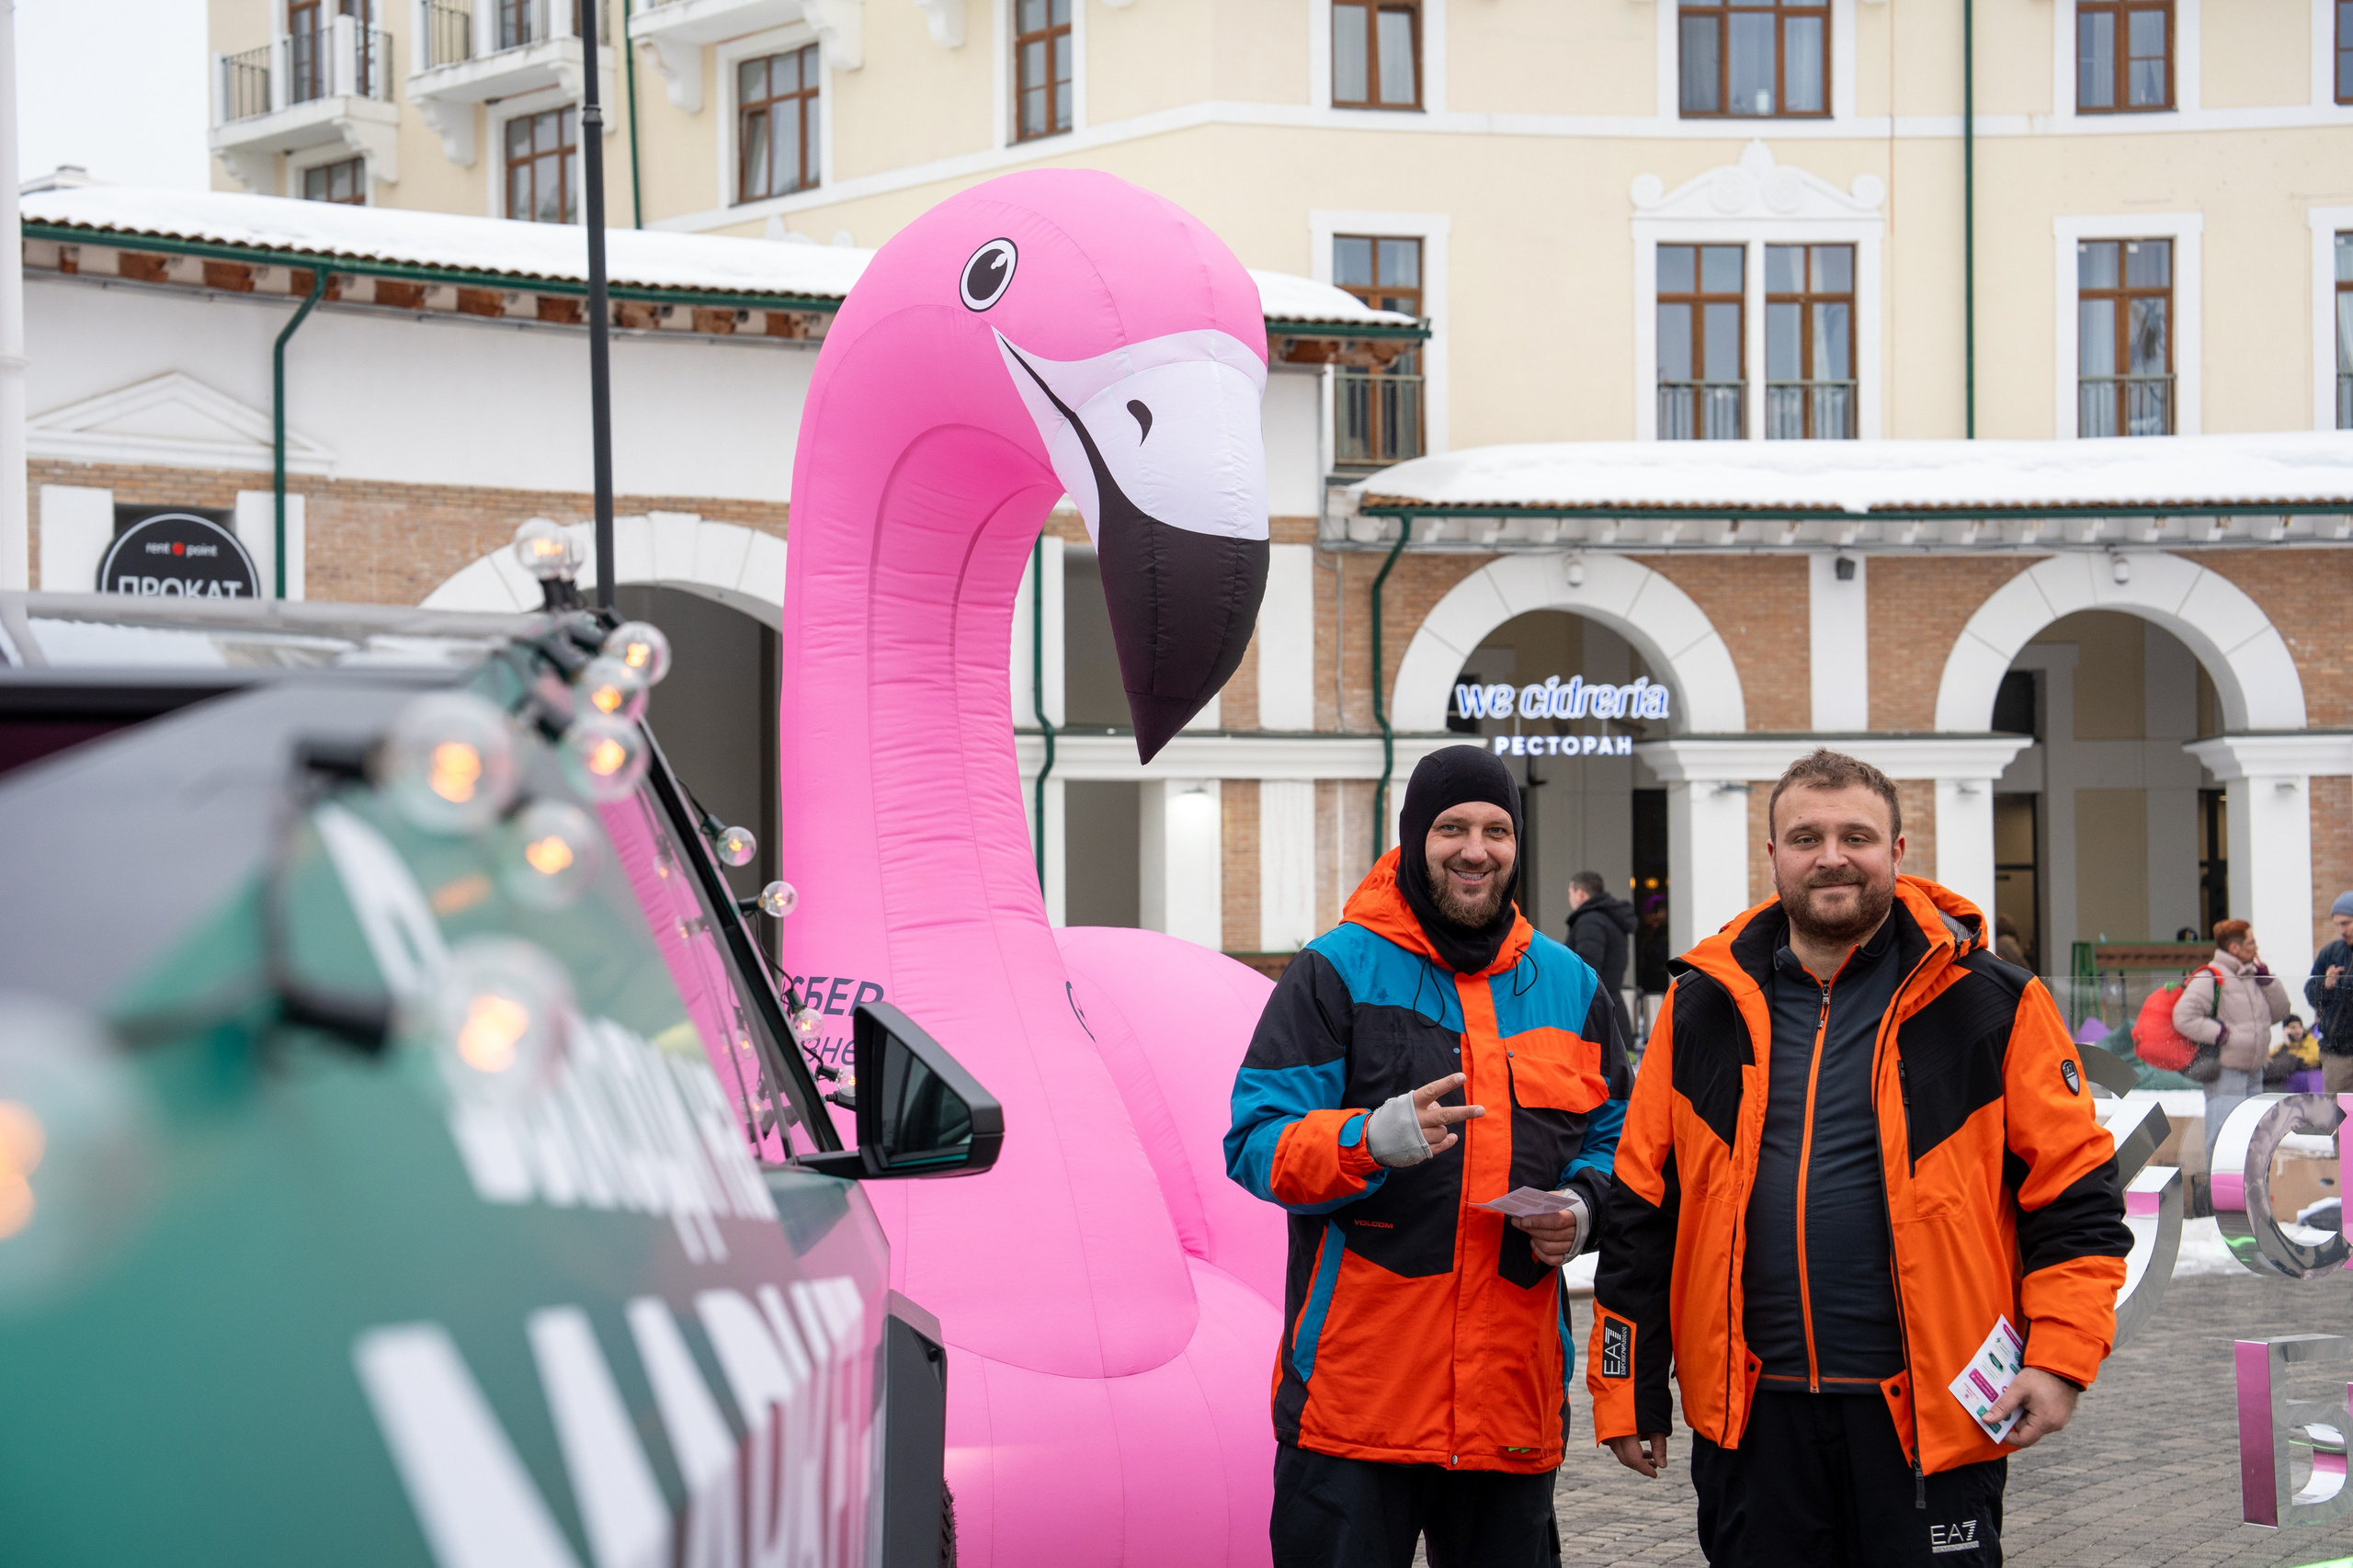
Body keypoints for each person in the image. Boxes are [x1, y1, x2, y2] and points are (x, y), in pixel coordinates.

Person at [1589, 748, 2129, 1568]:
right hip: (1753, 1423)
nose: (1832, 856)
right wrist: (1626, 1387)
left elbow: (2077, 1199)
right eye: (1805, 836)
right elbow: (1641, 1208)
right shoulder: (1702, 1006)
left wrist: (2060, 1362)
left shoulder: (1992, 1003)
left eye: (1856, 836)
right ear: (1773, 856)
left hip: (1929, 1423)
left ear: (1898, 852)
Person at [1226, 744, 1631, 1568]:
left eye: (1495, 830)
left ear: (1518, 845)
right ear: (1415, 838)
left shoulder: (1572, 986)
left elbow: (1623, 1143)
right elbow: (1256, 1141)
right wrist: (1364, 1141)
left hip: (1508, 1409)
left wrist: (1584, 1208)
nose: (1475, 849)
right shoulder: (1333, 972)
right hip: (1355, 1406)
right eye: (1451, 828)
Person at [2174, 919, 2292, 1161]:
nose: (2256, 948)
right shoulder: (2212, 976)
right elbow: (2183, 1016)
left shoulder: (2252, 976)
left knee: (2253, 1138)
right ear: (2235, 948)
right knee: (2223, 1135)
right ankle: (2214, 1193)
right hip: (2226, 1072)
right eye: (2251, 942)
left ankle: (2247, 1191)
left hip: (2255, 1070)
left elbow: (2281, 1013)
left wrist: (2268, 982)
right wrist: (2220, 1034)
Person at [1566, 869, 1639, 1056]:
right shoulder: (1610, 918)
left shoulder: (1590, 921)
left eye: (1570, 893)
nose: (1570, 898)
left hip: (1598, 1022)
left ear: (1580, 893)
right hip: (1616, 1018)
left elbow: (1586, 969)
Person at [2304, 892, 2353, 1096]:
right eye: (2338, 925)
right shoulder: (2331, 952)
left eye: (2347, 923)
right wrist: (2326, 986)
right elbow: (2311, 994)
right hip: (2337, 1052)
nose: (2342, 930)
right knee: (2338, 1116)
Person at [2265, 1016, 2318, 1087]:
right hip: (2286, 1070)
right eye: (2293, 1027)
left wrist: (2297, 1058)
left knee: (2289, 1058)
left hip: (2304, 1065)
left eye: (2300, 1027)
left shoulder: (2311, 1041)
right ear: (2285, 1030)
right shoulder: (2284, 1045)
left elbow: (2315, 1057)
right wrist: (2286, 1045)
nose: (2298, 1030)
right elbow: (2271, 1058)